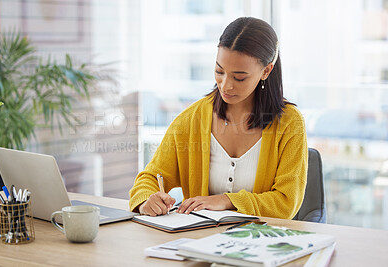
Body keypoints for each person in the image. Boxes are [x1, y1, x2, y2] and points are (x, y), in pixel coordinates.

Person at [129, 17, 308, 218]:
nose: (225, 85)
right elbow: (151, 177)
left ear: (266, 71)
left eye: (239, 77)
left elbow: (286, 202)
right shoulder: (192, 119)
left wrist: (226, 200)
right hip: (199, 241)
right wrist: (146, 200)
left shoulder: (290, 123)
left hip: (262, 243)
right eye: (219, 71)